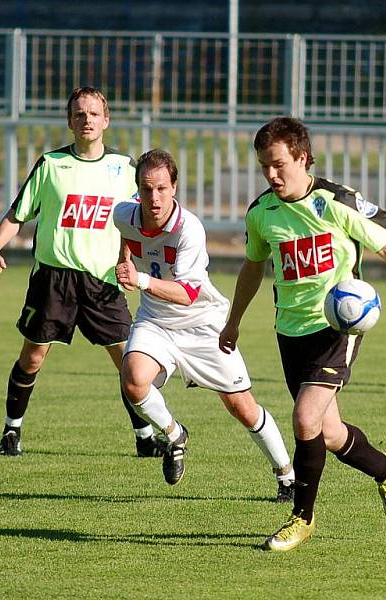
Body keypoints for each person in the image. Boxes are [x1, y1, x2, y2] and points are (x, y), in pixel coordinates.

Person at [218, 116, 386, 552]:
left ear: (302, 158)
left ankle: (301, 518)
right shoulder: (261, 213)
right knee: (328, 434)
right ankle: (385, 468)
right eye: (264, 167)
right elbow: (253, 267)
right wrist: (234, 321)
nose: (271, 175)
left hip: (337, 327)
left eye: (278, 165)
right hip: (289, 333)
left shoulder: (336, 202)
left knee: (305, 418)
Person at [0, 86, 165, 458]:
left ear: (106, 120)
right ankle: (11, 430)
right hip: (54, 279)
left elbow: (138, 222)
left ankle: (145, 436)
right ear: (70, 121)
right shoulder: (51, 165)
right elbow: (18, 213)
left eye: (94, 114)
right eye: (80, 114)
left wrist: (129, 260)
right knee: (32, 357)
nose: (87, 120)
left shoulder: (125, 169)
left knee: (130, 362)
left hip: (103, 282)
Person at [113, 148, 295, 500]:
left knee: (241, 406)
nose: (155, 198)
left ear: (175, 187)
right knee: (133, 381)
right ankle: (175, 434)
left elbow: (187, 294)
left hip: (201, 324)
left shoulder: (188, 229)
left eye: (162, 188)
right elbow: (128, 240)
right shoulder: (124, 214)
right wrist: (124, 263)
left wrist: (140, 281)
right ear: (137, 190)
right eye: (147, 190)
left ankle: (286, 475)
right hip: (155, 321)